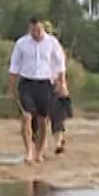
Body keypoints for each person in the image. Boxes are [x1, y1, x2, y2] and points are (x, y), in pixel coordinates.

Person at [7, 17, 67, 164]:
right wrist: (11, 87)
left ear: (43, 28)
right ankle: (28, 151)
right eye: (33, 30)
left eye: (39, 30)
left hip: (45, 83)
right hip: (27, 82)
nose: (36, 33)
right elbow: (14, 66)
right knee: (27, 116)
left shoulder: (52, 42)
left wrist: (62, 83)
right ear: (30, 29)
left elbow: (60, 64)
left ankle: (38, 153)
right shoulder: (22, 43)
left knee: (42, 120)